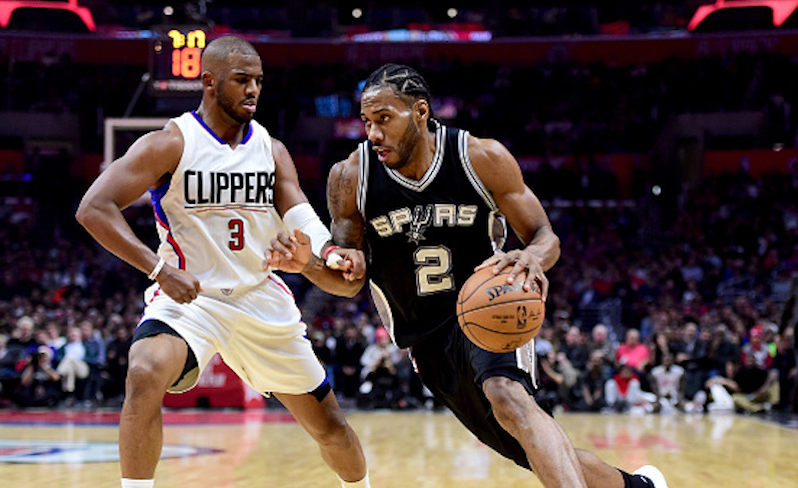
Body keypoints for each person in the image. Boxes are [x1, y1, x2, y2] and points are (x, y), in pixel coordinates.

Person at [269, 63, 669, 488]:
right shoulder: (351, 177)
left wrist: (532, 257)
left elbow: (544, 236)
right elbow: (349, 281)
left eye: (384, 119)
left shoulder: (480, 157)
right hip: (424, 336)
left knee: (507, 397)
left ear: (420, 112)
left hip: (488, 308)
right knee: (524, 448)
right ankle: (638, 487)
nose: (373, 133)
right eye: (367, 121)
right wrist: (310, 265)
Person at [75, 35, 370, 488]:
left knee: (331, 428)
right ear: (209, 82)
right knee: (144, 370)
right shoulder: (171, 143)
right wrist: (158, 270)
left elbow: (300, 216)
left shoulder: (271, 150)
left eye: (258, 81)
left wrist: (329, 253)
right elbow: (93, 207)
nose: (253, 89)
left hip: (258, 296)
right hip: (191, 300)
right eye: (241, 80)